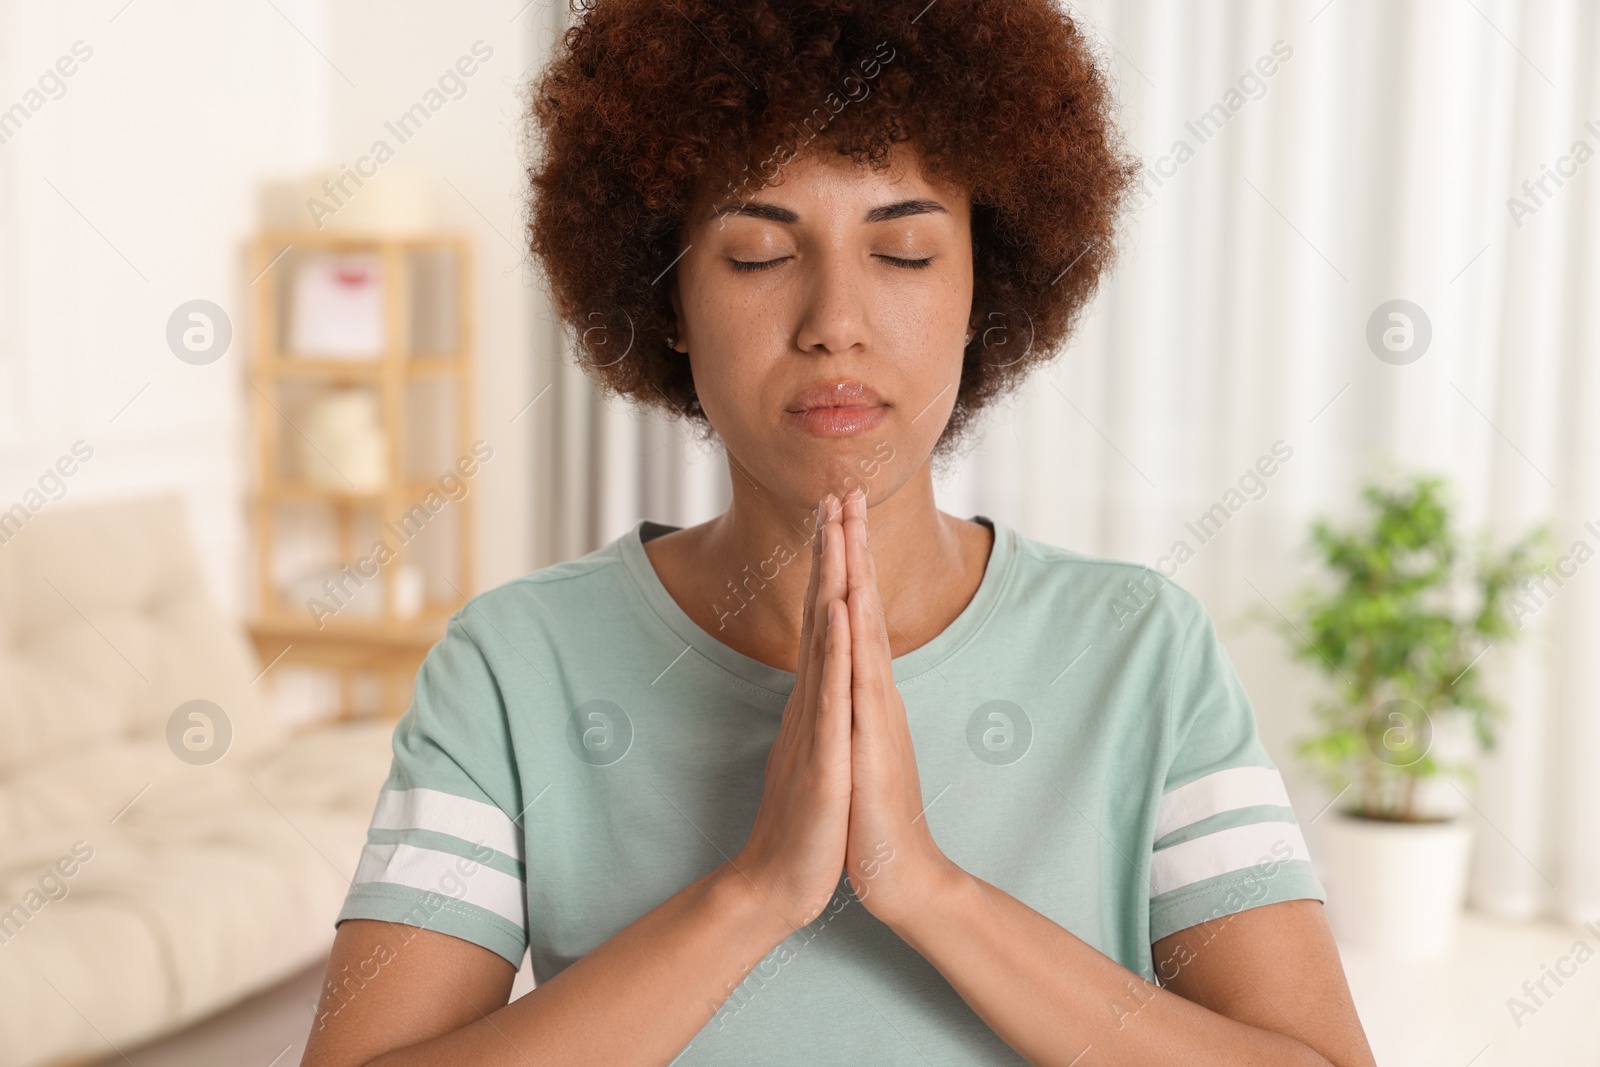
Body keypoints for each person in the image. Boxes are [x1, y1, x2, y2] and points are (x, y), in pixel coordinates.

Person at [303, 2, 1377, 1064]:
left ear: (979, 288)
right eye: (757, 254)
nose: (835, 322)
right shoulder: (512, 665)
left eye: (904, 251)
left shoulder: (1139, 648)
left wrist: (924, 885)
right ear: (667, 295)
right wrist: (757, 889)